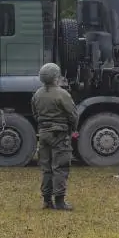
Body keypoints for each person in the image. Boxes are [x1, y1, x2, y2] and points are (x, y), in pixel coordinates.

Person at [31, 62, 78, 210]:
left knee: (46, 168)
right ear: (56, 77)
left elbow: (35, 114)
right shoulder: (62, 94)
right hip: (59, 134)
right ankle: (60, 201)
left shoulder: (37, 94)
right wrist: (72, 129)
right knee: (60, 167)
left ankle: (46, 201)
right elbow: (73, 115)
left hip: (43, 133)